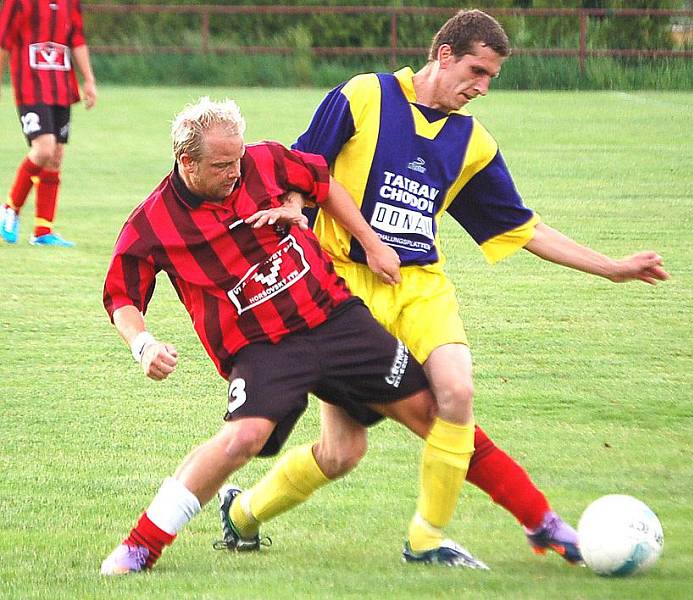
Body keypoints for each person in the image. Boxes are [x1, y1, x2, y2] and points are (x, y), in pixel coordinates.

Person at [220, 8, 669, 568]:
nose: (481, 88)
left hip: (420, 287)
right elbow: (301, 169)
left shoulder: (472, 141)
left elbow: (522, 227)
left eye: (491, 79)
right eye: (476, 72)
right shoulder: (365, 96)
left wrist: (611, 267)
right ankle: (241, 515)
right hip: (341, 291)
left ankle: (429, 539)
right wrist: (294, 206)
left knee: (456, 393)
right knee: (341, 452)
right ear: (445, 54)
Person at [99, 97, 486, 576]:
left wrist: (341, 228)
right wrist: (145, 345)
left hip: (332, 316)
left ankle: (542, 521)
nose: (236, 173)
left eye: (238, 159)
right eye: (222, 165)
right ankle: (140, 546)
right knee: (244, 437)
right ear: (186, 162)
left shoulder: (264, 161)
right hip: (261, 345)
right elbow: (121, 295)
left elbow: (322, 181)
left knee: (432, 414)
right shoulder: (152, 222)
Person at [0, 0, 97, 247]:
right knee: (43, 148)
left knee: (55, 157)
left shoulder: (70, 2)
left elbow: (77, 39)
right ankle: (10, 208)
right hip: (30, 87)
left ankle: (43, 231)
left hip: (61, 88)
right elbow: (4, 39)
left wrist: (89, 80)